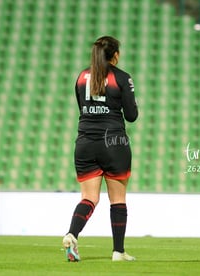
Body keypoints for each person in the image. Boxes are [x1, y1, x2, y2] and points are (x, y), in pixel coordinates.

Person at [63, 36, 138, 262]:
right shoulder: (122, 77)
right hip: (114, 143)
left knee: (89, 197)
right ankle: (118, 251)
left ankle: (72, 234)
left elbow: (82, 108)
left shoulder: (81, 77)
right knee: (117, 199)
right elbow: (132, 116)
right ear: (115, 55)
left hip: (85, 142)